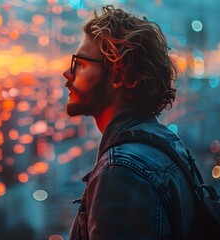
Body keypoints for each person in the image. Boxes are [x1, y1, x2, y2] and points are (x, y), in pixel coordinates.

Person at [63, 5, 195, 239]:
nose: (68, 73)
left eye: (80, 64)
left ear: (117, 75)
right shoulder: (167, 142)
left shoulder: (121, 172)